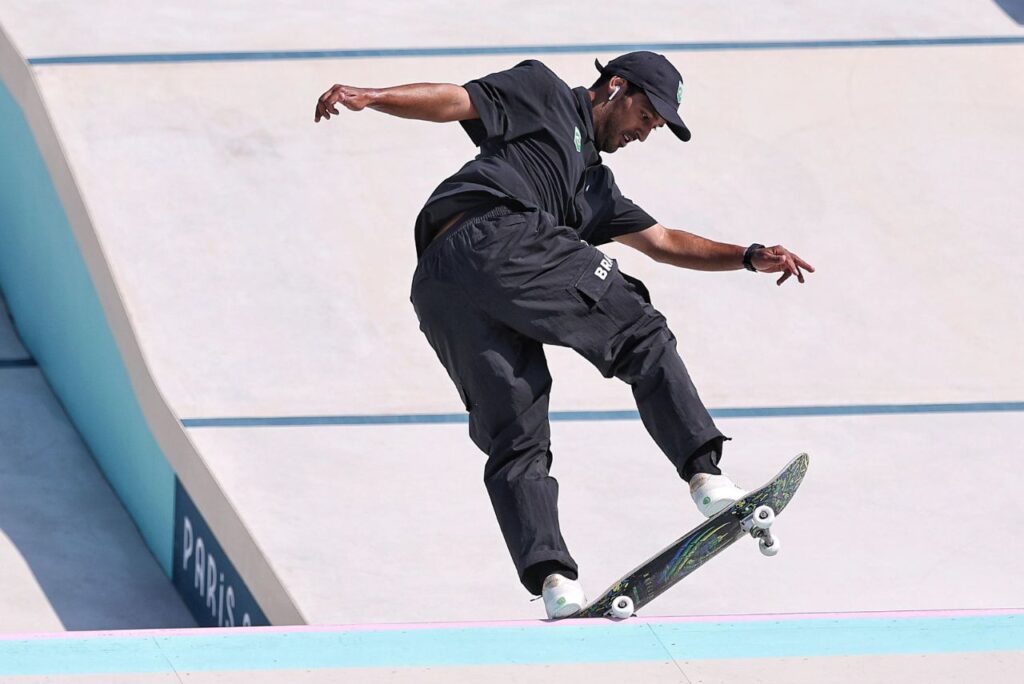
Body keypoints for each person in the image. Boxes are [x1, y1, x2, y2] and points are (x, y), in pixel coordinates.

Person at [314, 52, 814, 618]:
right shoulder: (543, 91)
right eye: (645, 117)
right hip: (497, 234)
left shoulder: (596, 190)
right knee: (638, 330)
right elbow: (457, 99)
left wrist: (748, 256)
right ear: (616, 86)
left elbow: (666, 241)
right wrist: (374, 96)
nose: (643, 134)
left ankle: (555, 582)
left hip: (440, 287)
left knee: (517, 433)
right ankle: (706, 476)